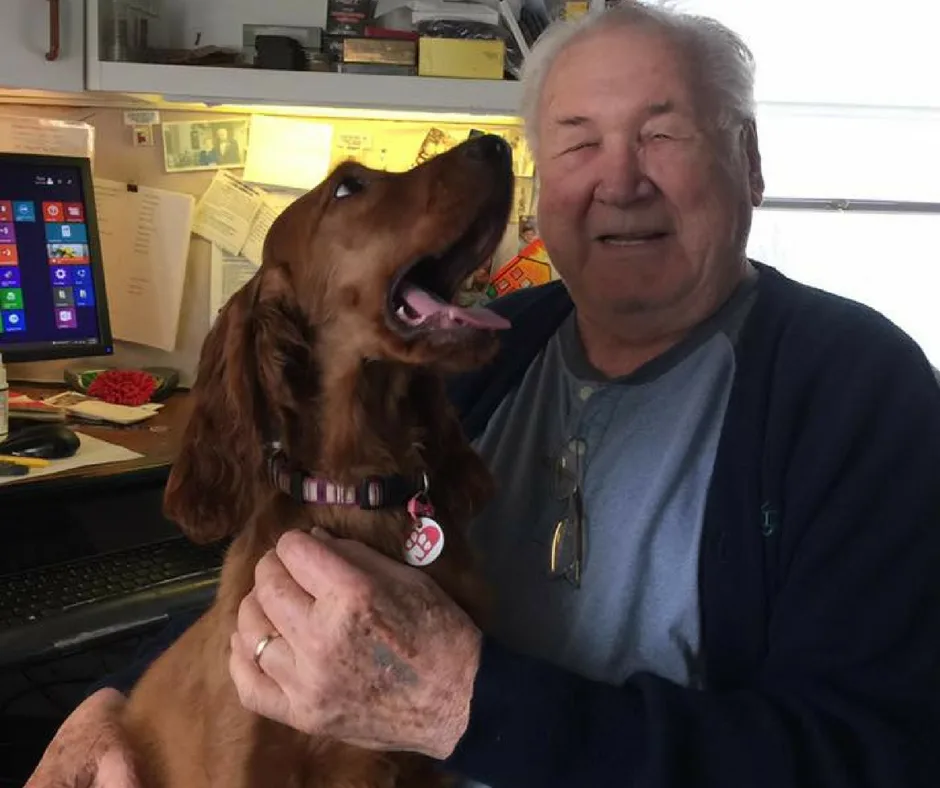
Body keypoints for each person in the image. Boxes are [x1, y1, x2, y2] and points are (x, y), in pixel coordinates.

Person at [26, 3, 940, 787]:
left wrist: (473, 706)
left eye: (664, 134)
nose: (619, 181)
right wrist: (113, 704)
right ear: (542, 190)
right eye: (579, 142)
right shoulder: (482, 352)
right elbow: (291, 584)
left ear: (749, 163)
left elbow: (876, 757)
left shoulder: (858, 391)